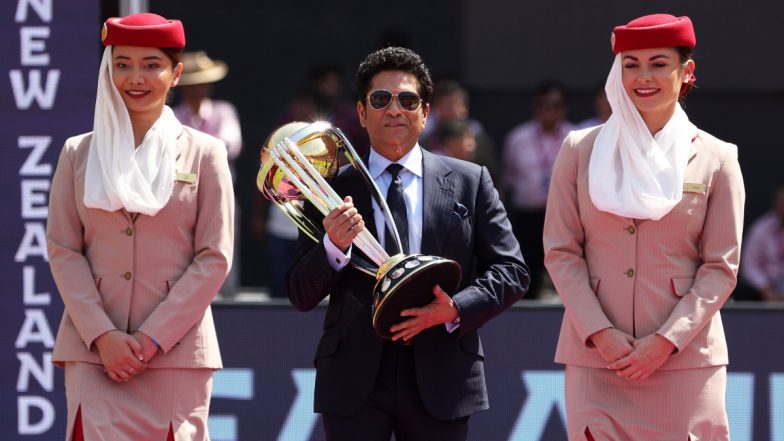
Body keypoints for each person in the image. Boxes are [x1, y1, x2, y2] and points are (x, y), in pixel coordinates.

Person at [286, 46, 529, 440]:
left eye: (408, 100)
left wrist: (452, 309)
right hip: (354, 380)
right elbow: (300, 292)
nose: (394, 110)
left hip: (443, 373)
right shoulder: (328, 189)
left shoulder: (471, 180)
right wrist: (334, 246)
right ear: (361, 113)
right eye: (380, 100)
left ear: (425, 112)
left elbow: (512, 271)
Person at [543, 14, 744, 440]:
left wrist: (667, 340)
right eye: (630, 64)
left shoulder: (718, 157)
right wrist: (599, 333)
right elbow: (561, 251)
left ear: (686, 71)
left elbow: (720, 267)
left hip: (686, 361)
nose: (643, 77)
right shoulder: (579, 150)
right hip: (599, 360)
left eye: (658, 63)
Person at [46, 13, 234, 440]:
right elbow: (63, 248)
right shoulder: (78, 152)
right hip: (95, 352)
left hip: (176, 354)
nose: (135, 77)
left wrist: (151, 339)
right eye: (122, 63)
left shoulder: (206, 153)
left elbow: (214, 257)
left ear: (176, 74)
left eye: (151, 64)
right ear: (108, 69)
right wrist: (103, 335)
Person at [174, 50, 243, 294]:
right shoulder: (172, 116)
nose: (199, 89)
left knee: (224, 254)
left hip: (221, 195)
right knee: (182, 260)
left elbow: (230, 146)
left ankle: (228, 305)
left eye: (203, 84)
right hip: (181, 200)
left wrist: (190, 152)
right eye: (193, 84)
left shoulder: (224, 111)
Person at [503, 81, 574, 298]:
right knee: (529, 270)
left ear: (563, 108)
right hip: (528, 216)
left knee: (568, 269)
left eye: (554, 106)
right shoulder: (517, 138)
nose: (548, 112)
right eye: (543, 106)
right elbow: (510, 178)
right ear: (535, 108)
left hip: (564, 214)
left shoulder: (575, 136)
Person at [741, 186, 784, 302]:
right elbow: (749, 265)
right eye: (781, 203)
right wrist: (765, 288)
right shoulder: (760, 229)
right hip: (763, 289)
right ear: (775, 204)